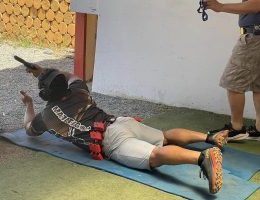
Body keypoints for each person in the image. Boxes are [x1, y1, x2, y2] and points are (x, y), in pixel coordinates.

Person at [20, 66, 228, 194]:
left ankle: (202, 158)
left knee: (154, 156)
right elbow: (70, 75)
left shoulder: (47, 117)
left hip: (110, 141)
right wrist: (45, 71)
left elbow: (29, 129)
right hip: (121, 122)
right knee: (164, 137)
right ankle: (210, 137)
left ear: (45, 94)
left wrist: (28, 104)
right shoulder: (78, 89)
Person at [206, 0, 260, 141]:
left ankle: (236, 129)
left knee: (232, 82)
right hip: (256, 36)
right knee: (258, 85)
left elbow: (256, 4)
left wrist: (221, 7)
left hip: (254, 39)